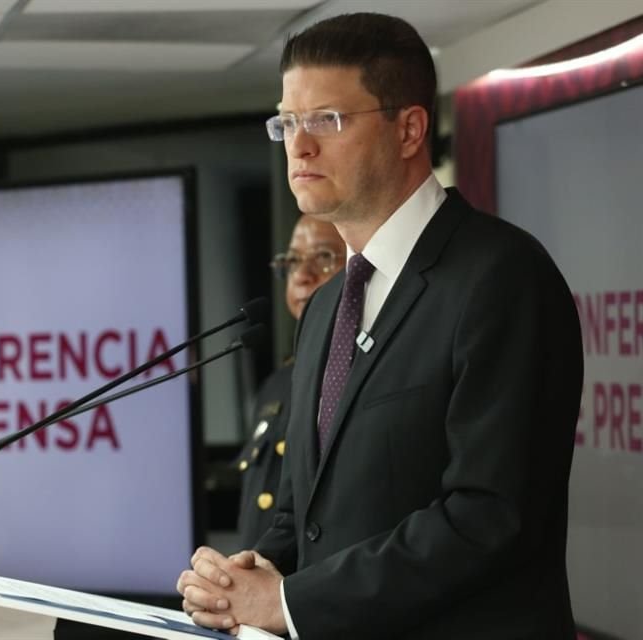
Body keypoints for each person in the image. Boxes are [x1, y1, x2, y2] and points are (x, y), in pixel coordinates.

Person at [178, 12, 583, 639]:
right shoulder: (324, 307)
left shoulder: (500, 278)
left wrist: (288, 604)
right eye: (287, 122)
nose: (299, 145)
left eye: (326, 120)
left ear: (410, 129)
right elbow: (303, 513)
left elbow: (486, 517)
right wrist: (245, 578)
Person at [236, 215, 345, 549]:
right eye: (293, 260)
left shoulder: (352, 374)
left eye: (324, 258)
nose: (301, 275)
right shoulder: (277, 383)